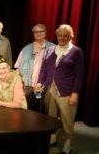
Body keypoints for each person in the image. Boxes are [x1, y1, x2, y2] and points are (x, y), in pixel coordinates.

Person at [36, 24, 84, 154]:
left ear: (70, 37)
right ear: (57, 36)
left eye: (66, 36)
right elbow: (44, 70)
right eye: (60, 35)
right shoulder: (50, 50)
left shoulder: (76, 51)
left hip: (67, 91)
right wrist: (40, 83)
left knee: (67, 118)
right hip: (50, 89)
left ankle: (68, 141)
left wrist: (75, 93)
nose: (62, 38)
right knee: (51, 116)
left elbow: (80, 75)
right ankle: (53, 136)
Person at [14, 23, 55, 112]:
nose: (38, 33)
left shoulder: (53, 48)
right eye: (36, 32)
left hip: (42, 86)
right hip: (27, 86)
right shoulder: (26, 49)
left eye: (41, 31)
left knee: (39, 109)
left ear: (45, 33)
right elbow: (17, 69)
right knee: (25, 109)